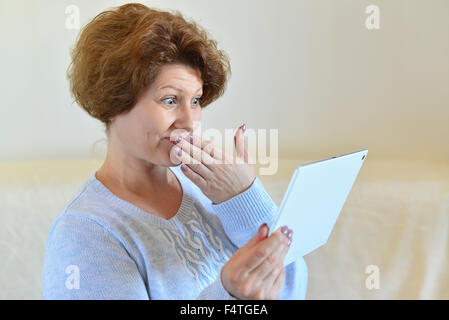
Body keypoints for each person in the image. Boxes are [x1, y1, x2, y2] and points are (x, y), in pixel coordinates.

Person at [42, 3, 308, 299]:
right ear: (114, 101)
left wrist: (245, 197)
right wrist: (229, 296)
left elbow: (293, 286)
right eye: (170, 100)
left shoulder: (212, 189)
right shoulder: (85, 236)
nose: (190, 122)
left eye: (195, 100)